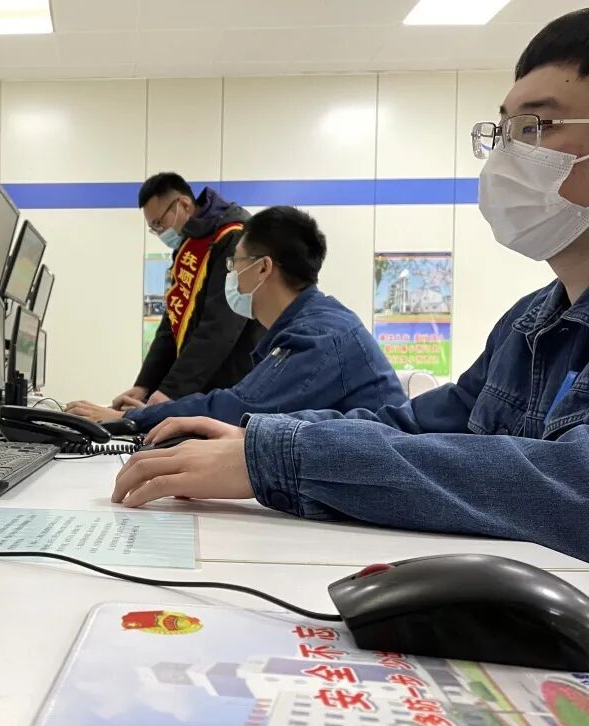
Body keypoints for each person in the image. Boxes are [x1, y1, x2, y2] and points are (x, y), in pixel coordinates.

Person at [112, 9, 589, 562]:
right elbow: (419, 424)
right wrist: (256, 443)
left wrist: (271, 455)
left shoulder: (321, 333)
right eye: (503, 131)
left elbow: (572, 488)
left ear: (264, 268)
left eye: (537, 127)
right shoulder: (526, 325)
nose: (508, 155)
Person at [68, 206, 407, 429]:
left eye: (235, 264)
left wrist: (133, 418)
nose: (231, 277)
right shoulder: (305, 326)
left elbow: (239, 408)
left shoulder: (318, 335)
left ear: (263, 268)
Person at [73, 174, 264, 413]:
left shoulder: (232, 237)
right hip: (197, 388)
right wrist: (144, 385)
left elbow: (219, 327)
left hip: (229, 388)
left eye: (159, 223)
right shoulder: (189, 247)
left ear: (183, 204)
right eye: (153, 228)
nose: (160, 232)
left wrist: (170, 393)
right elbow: (171, 324)